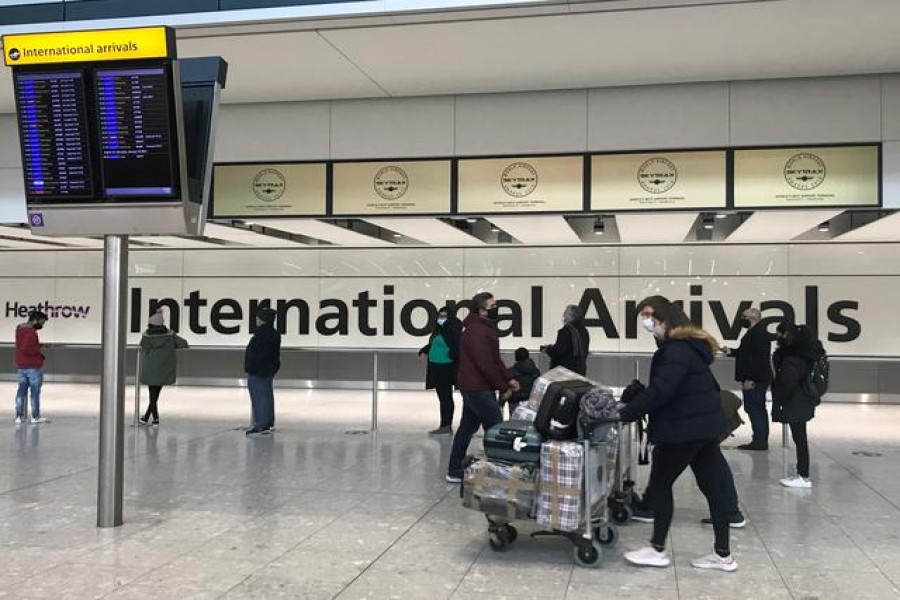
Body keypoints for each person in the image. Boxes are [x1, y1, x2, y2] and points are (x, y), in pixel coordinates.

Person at [618, 298, 738, 572]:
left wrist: (623, 413)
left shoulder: (675, 351)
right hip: (705, 427)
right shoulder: (691, 348)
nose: (646, 323)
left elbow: (661, 391)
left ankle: (657, 549)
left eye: (648, 316)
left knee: (660, 486)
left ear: (663, 317)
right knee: (713, 489)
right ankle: (723, 555)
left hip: (683, 429)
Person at [445, 292, 520, 483]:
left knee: (467, 428)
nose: (496, 309)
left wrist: (507, 378)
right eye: (493, 306)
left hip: (474, 386)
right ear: (482, 309)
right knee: (495, 429)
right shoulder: (477, 330)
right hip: (478, 388)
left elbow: (494, 359)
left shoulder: (481, 328)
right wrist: (503, 386)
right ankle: (502, 475)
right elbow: (485, 363)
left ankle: (454, 469)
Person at [772, 322, 824, 489]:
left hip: (795, 401)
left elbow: (787, 383)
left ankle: (803, 475)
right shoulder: (810, 355)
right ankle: (803, 473)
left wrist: (779, 404)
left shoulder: (792, 359)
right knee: (800, 437)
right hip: (806, 399)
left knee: (800, 438)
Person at [722, 307, 773, 451]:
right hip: (755, 378)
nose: (741, 319)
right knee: (754, 408)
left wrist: (751, 379)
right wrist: (731, 352)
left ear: (752, 318)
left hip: (755, 379)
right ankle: (759, 439)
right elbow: (746, 354)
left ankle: (760, 441)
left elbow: (758, 360)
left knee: (756, 409)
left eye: (744, 316)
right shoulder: (754, 333)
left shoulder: (758, 335)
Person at [139, 310, 189, 426]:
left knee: (152, 394)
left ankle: (154, 418)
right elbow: (183, 343)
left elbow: (143, 346)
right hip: (164, 368)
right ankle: (147, 417)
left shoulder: (147, 336)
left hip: (151, 368)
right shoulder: (170, 335)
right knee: (155, 394)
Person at [418, 307, 462, 435]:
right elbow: (433, 344)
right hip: (436, 367)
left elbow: (456, 347)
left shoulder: (452, 330)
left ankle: (446, 425)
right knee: (443, 397)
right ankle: (444, 424)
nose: (441, 319)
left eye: (444, 316)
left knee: (445, 398)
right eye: (440, 316)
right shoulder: (439, 331)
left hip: (446, 368)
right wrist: (424, 350)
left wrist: (450, 356)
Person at [244, 307, 281, 436]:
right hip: (268, 369)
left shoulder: (261, 334)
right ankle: (267, 422)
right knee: (266, 396)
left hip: (258, 370)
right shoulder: (273, 333)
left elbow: (258, 354)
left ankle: (261, 424)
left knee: (259, 397)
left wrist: (250, 366)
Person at [14, 310, 49, 425]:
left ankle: (19, 416)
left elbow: (22, 346)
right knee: (34, 392)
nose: (42, 325)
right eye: (41, 322)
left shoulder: (20, 330)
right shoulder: (31, 332)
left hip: (21, 366)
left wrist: (37, 346)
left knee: (21, 391)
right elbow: (27, 348)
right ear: (35, 320)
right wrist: (38, 353)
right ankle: (35, 416)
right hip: (33, 366)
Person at [542, 305, 590, 376]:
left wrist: (548, 350)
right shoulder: (584, 331)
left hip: (565, 371)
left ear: (571, 316)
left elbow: (559, 350)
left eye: (565, 313)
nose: (563, 315)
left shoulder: (566, 331)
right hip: (580, 369)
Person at [504, 347, 540, 419]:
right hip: (531, 402)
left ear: (516, 357)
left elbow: (506, 389)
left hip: (515, 402)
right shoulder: (536, 372)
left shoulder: (511, 371)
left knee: (515, 424)